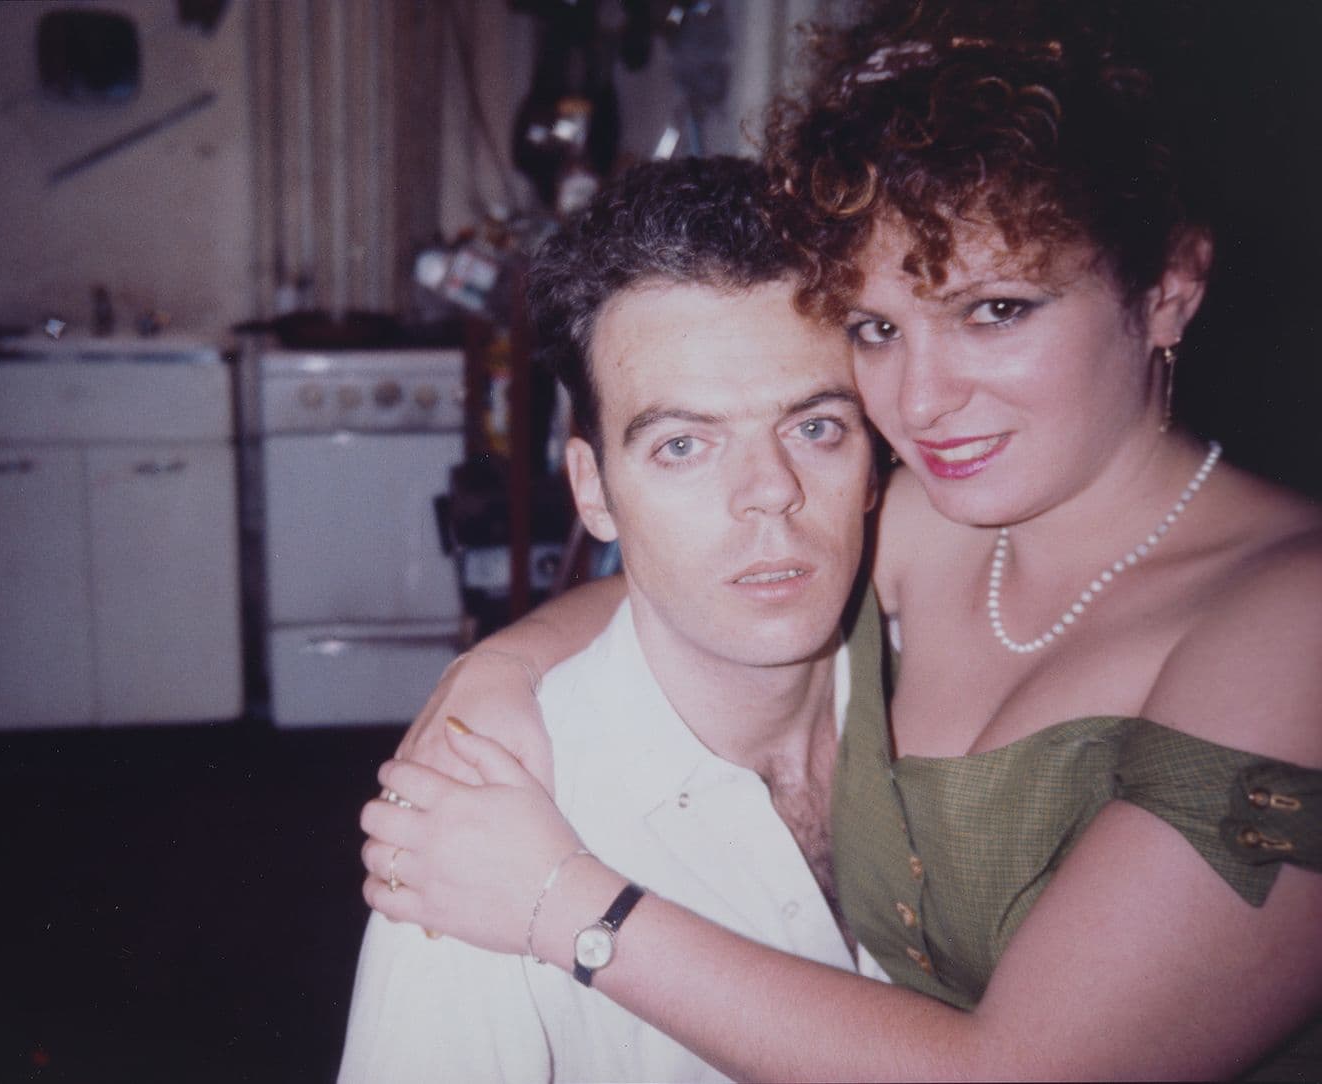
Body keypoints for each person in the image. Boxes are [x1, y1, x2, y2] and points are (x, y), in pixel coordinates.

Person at [359, 2, 1322, 1079]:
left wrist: (567, 903)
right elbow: (730, 556)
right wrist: (501, 670)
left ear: (1168, 289)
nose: (919, 399)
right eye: (876, 328)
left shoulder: (1294, 620)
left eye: (994, 311)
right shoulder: (934, 517)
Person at [338, 156, 889, 1084]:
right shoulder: (486, 823)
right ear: (593, 490)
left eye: (815, 427)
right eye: (683, 445)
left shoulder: (960, 694)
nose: (770, 496)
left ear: (875, 457)